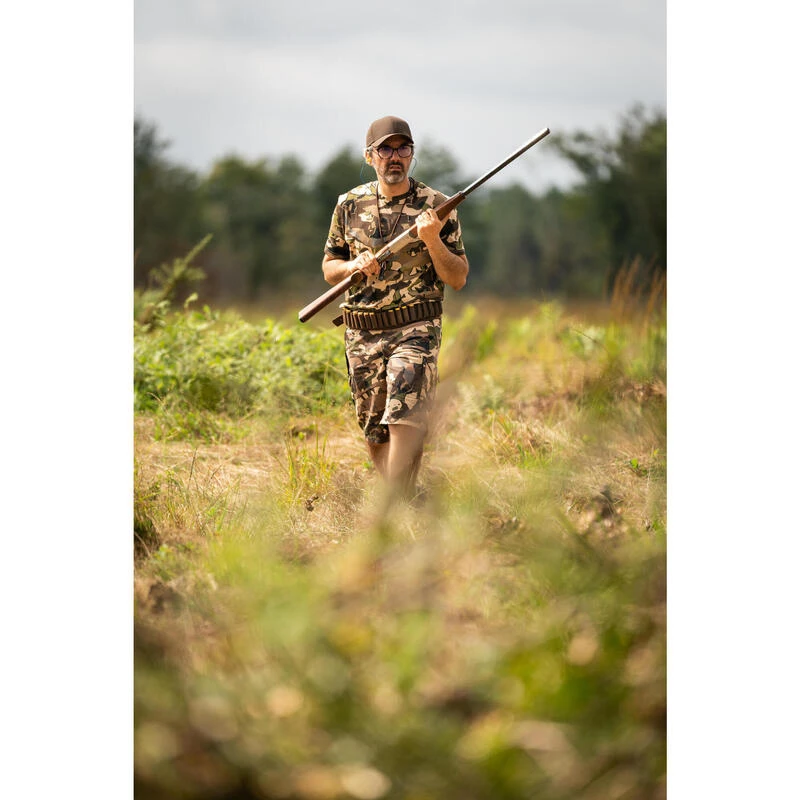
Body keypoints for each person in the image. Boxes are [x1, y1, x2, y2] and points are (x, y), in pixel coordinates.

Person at [322, 115, 469, 499]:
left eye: (403, 148)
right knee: (374, 426)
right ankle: (400, 499)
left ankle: (391, 503)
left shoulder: (436, 206)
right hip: (363, 330)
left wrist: (432, 240)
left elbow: (457, 277)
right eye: (385, 149)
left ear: (411, 154)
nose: (395, 157)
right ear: (370, 156)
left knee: (407, 406)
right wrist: (353, 266)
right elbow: (328, 267)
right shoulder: (348, 205)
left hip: (415, 327)